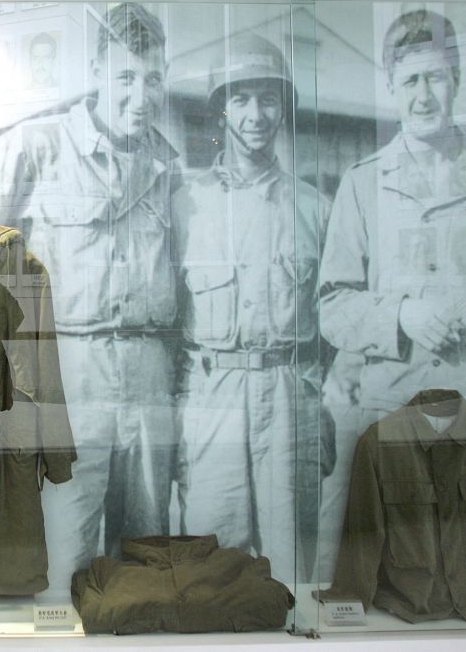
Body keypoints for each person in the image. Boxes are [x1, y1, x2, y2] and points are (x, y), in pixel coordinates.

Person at [0, 3, 183, 599]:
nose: (141, 96)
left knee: (146, 553)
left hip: (148, 380)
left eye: (153, 79)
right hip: (71, 376)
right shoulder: (35, 147)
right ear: (95, 71)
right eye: (125, 77)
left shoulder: (169, 166)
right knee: (66, 556)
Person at [319, 9, 466, 534]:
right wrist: (401, 314)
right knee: (392, 590)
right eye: (409, 81)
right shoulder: (362, 185)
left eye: (436, 78)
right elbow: (332, 309)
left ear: (458, 81)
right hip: (390, 420)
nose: (423, 96)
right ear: (390, 87)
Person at [174, 33, 328, 584]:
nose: (256, 115)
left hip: (290, 393)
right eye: (241, 99)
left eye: (268, 99)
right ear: (222, 110)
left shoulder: (315, 208)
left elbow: (331, 329)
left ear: (284, 107)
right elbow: (170, 324)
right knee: (212, 562)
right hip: (212, 396)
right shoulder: (186, 204)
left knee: (292, 566)